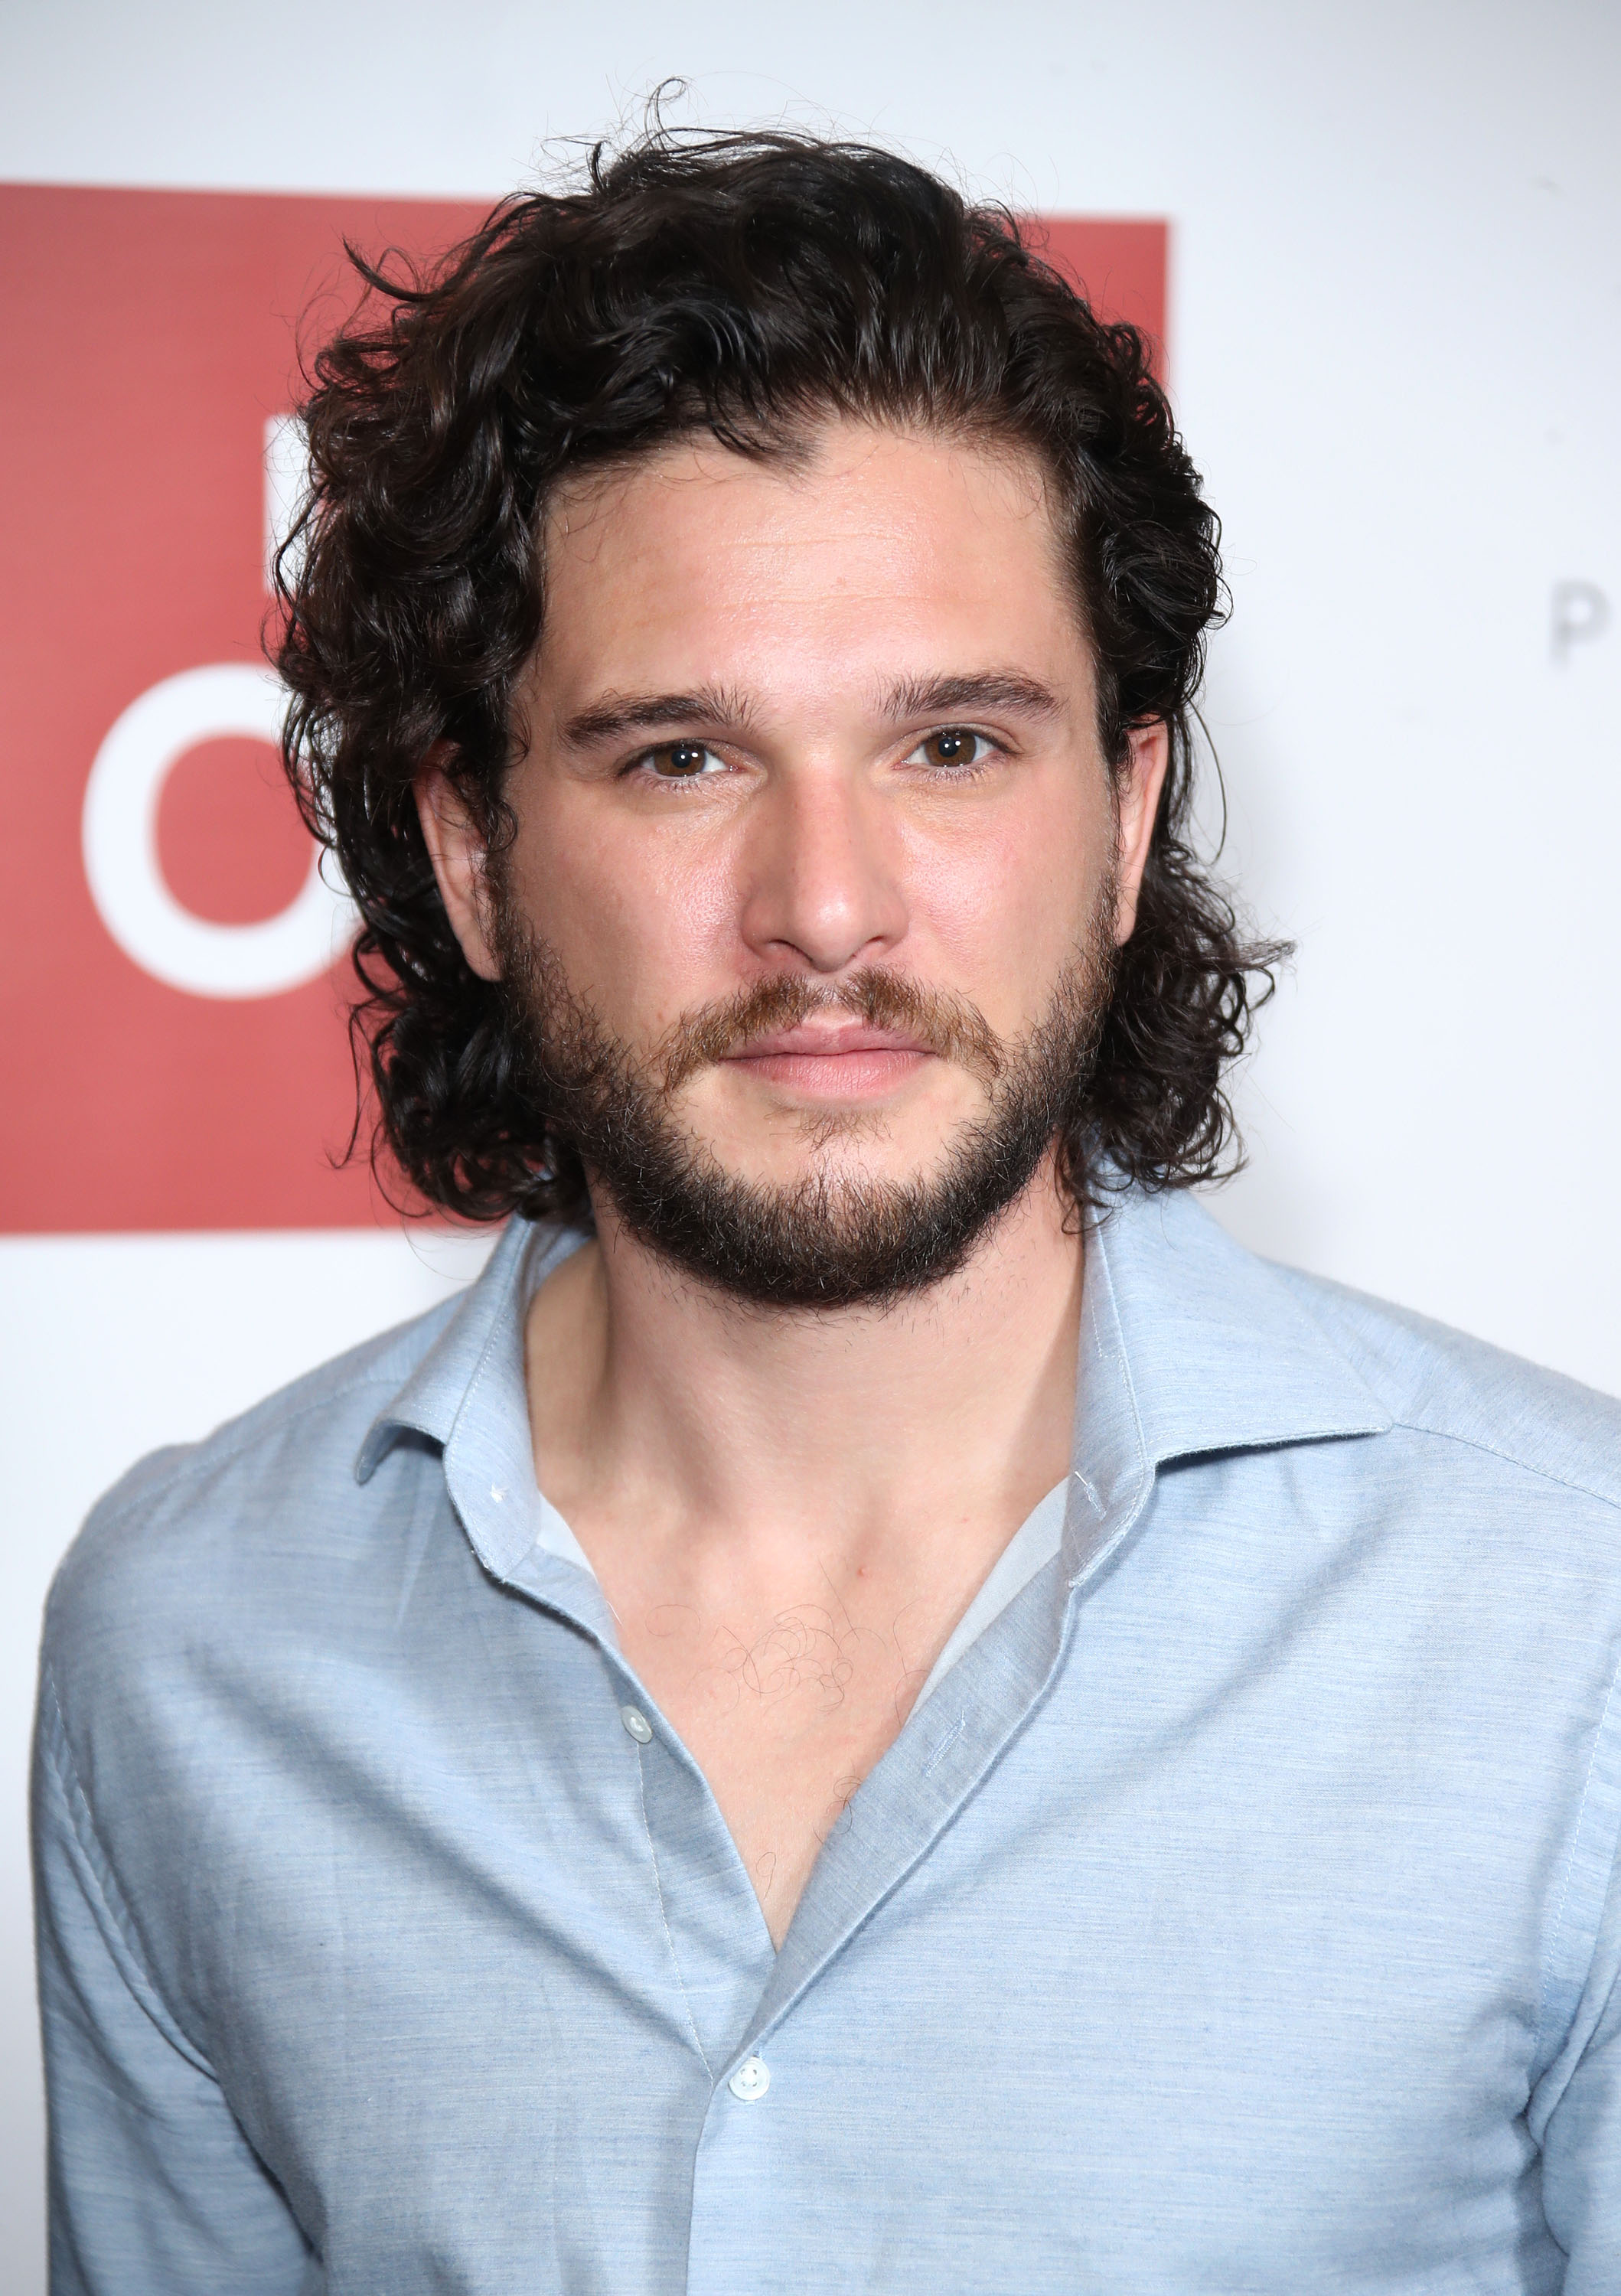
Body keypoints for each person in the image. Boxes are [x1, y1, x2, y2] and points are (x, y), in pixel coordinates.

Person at [32, 127, 1621, 2294]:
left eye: (951, 745)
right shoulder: (193, 1641)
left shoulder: (1567, 1624)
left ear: (1127, 815)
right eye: (681, 757)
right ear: (476, 857)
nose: (829, 908)